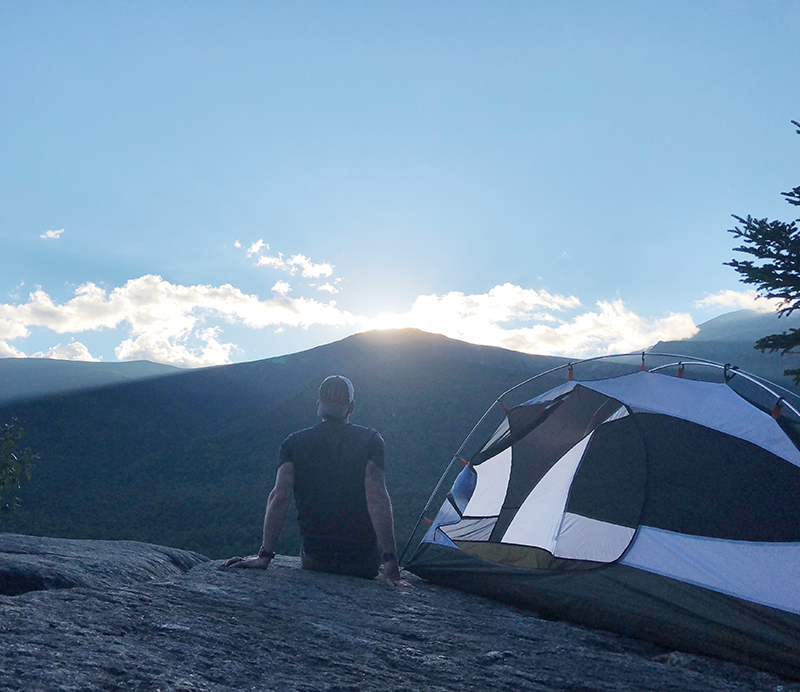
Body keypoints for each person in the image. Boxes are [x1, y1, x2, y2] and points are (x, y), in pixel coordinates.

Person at [222, 375, 406, 586]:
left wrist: (264, 556)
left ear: (318, 405)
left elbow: (279, 498)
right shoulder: (371, 440)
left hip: (315, 560)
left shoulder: (293, 443)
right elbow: (376, 496)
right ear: (351, 407)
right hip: (362, 563)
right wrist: (390, 562)